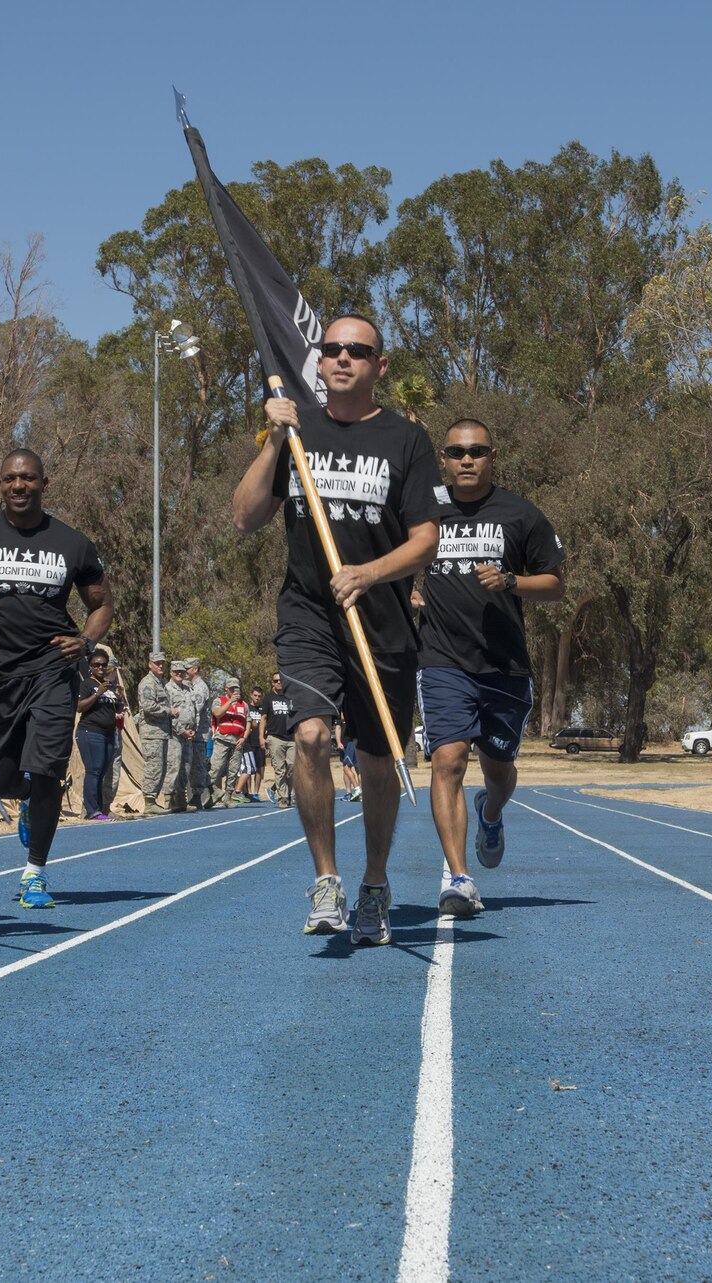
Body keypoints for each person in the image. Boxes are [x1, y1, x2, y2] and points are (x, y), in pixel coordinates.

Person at [230, 313, 447, 946]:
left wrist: (370, 572)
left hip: (381, 626)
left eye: (358, 350)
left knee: (380, 766)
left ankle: (375, 882)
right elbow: (245, 517)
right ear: (318, 361)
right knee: (311, 737)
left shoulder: (406, 440)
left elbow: (426, 541)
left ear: (381, 366)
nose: (342, 358)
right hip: (309, 615)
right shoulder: (296, 431)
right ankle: (326, 880)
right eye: (331, 349)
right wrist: (273, 441)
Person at [0, 448, 110, 909]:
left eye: (29, 478)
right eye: (11, 479)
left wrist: (87, 642)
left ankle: (35, 871)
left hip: (53, 672)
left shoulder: (73, 543)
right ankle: (30, 804)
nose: (20, 486)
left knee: (49, 770)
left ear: (43, 483)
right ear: (0, 484)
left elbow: (101, 604)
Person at [414, 418, 566, 917]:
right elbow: (391, 558)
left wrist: (511, 581)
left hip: (504, 668)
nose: (466, 460)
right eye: (457, 452)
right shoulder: (423, 510)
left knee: (498, 773)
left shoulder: (520, 515)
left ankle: (491, 811)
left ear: (492, 456)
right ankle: (459, 878)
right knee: (448, 762)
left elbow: (556, 584)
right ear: (443, 458)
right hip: (441, 662)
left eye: (477, 451)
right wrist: (405, 591)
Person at [75, 650, 125, 821]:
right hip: (90, 732)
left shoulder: (109, 684)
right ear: (90, 667)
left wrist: (119, 698)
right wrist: (97, 694)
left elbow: (118, 709)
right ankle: (91, 810)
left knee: (102, 772)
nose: (101, 668)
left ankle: (99, 808)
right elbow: (80, 707)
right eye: (97, 665)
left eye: (104, 664)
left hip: (109, 734)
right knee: (94, 770)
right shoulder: (87, 684)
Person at [135, 651, 177, 814]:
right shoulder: (148, 683)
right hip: (152, 733)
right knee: (154, 766)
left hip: (161, 733)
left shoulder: (159, 683)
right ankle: (149, 801)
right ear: (149, 664)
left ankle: (152, 800)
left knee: (160, 767)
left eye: (162, 663)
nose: (160, 666)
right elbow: (148, 706)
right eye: (157, 663)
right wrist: (168, 711)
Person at [209, 677, 249, 807]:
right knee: (215, 768)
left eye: (236, 688)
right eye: (231, 689)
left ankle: (228, 797)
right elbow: (217, 713)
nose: (234, 691)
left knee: (233, 771)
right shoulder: (219, 700)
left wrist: (244, 737)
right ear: (226, 689)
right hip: (222, 739)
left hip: (237, 741)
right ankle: (211, 793)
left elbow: (247, 722)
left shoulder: (244, 704)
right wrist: (230, 702)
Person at [167, 659, 201, 808]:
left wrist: (194, 728)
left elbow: (195, 711)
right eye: (176, 672)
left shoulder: (188, 689)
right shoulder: (167, 689)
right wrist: (181, 731)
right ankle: (169, 799)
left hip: (189, 734)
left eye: (182, 672)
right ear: (171, 673)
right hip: (175, 734)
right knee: (173, 767)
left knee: (185, 768)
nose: (179, 674)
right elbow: (169, 715)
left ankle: (181, 798)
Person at [263, 671, 296, 808]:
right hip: (275, 737)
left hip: (292, 738)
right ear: (272, 683)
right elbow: (263, 719)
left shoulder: (292, 698)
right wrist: (261, 737)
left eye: (280, 680)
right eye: (276, 681)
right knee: (279, 769)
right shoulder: (268, 698)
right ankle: (282, 797)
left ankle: (287, 792)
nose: (278, 682)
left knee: (292, 767)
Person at [184, 657, 213, 809]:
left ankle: (197, 796)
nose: (184, 672)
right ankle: (215, 791)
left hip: (199, 733)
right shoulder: (191, 685)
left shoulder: (200, 687)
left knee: (198, 766)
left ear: (195, 669)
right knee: (197, 764)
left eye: (187, 668)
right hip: (195, 732)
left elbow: (197, 708)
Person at [238, 684, 266, 801]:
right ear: (251, 695)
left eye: (259, 696)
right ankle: (248, 792)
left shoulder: (263, 709)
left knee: (259, 769)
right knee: (248, 768)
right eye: (255, 695)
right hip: (248, 743)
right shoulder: (247, 707)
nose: (257, 698)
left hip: (259, 743)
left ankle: (256, 792)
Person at [336, 716, 362, 802]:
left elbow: (338, 727)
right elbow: (338, 727)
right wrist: (339, 742)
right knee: (346, 768)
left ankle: (358, 789)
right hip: (345, 744)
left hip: (351, 743)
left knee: (347, 767)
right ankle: (349, 793)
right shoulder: (339, 713)